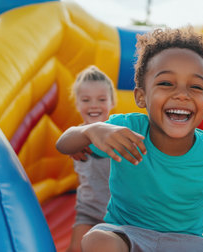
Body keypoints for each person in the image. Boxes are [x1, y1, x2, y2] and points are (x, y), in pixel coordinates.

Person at [56, 27, 203, 252]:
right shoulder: (125, 129)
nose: (181, 94)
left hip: (186, 242)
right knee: (98, 241)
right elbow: (63, 144)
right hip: (127, 233)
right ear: (141, 96)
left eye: (195, 86)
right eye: (166, 83)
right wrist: (91, 131)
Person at [65, 65, 117, 252]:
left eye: (101, 99)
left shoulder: (117, 132)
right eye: (86, 100)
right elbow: (63, 143)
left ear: (112, 102)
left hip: (119, 214)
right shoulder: (74, 137)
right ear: (77, 104)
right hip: (88, 212)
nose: (94, 105)